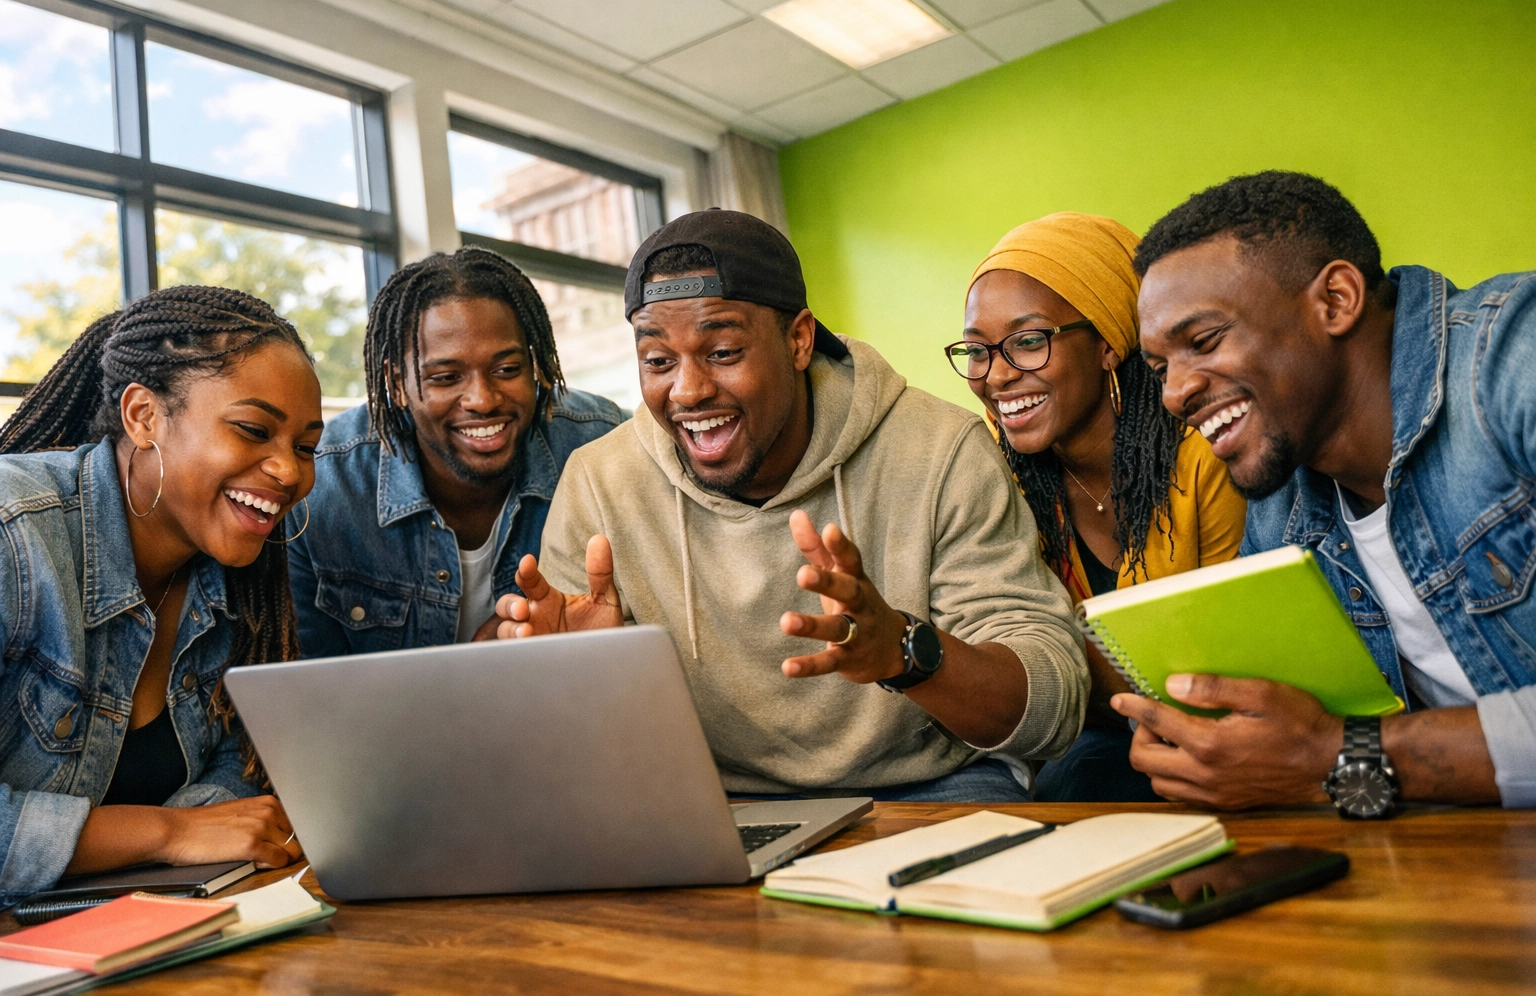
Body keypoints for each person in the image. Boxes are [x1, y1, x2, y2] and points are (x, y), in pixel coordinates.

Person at [497, 209, 1088, 802]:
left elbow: (1054, 705)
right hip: (713, 798)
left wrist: (903, 653)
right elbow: (573, 759)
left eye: (724, 351)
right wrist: (580, 678)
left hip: (929, 783)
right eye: (658, 361)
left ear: (799, 339)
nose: (687, 390)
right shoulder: (601, 481)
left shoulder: (940, 449)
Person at [1125, 170, 1536, 813]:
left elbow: (1316, 754)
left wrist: (1346, 757)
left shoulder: (1515, 358)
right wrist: (1203, 741)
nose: (1174, 393)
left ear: (1337, 300)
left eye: (1203, 341)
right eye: (1159, 368)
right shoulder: (1279, 511)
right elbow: (1270, 734)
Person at [0, 285, 315, 903]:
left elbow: (236, 773)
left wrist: (204, 831)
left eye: (304, 446)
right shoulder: (15, 536)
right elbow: (187, 834)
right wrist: (165, 833)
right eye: (254, 430)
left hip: (134, 931)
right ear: (143, 417)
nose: (289, 471)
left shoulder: (236, 574)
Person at [955, 213, 1246, 801]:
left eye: (1029, 341)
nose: (998, 375)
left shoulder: (1206, 458)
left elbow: (1234, 657)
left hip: (1224, 733)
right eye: (978, 352)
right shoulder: (999, 483)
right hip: (1098, 742)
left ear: (1110, 342)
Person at [288, 248, 623, 655]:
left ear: (536, 365)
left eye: (507, 370)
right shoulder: (324, 486)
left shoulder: (604, 448)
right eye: (446, 377)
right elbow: (308, 679)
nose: (482, 399)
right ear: (396, 384)